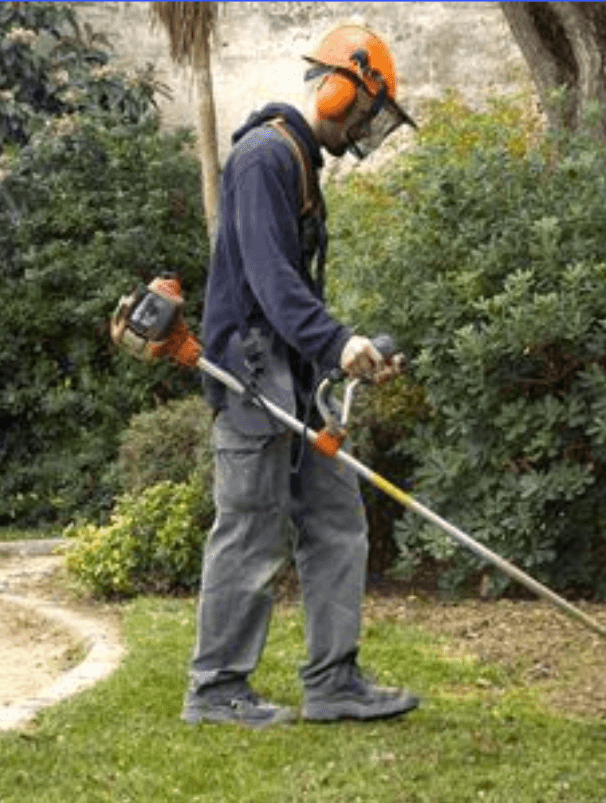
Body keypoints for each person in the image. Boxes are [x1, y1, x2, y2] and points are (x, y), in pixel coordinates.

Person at [182, 25, 420, 728]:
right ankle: (217, 688)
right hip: (253, 375)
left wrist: (344, 353)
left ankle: (334, 679)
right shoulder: (263, 158)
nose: (368, 128)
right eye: (370, 111)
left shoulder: (300, 162)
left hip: (294, 376)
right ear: (342, 88)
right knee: (251, 529)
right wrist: (333, 339)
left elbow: (296, 297)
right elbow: (270, 280)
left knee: (336, 518)